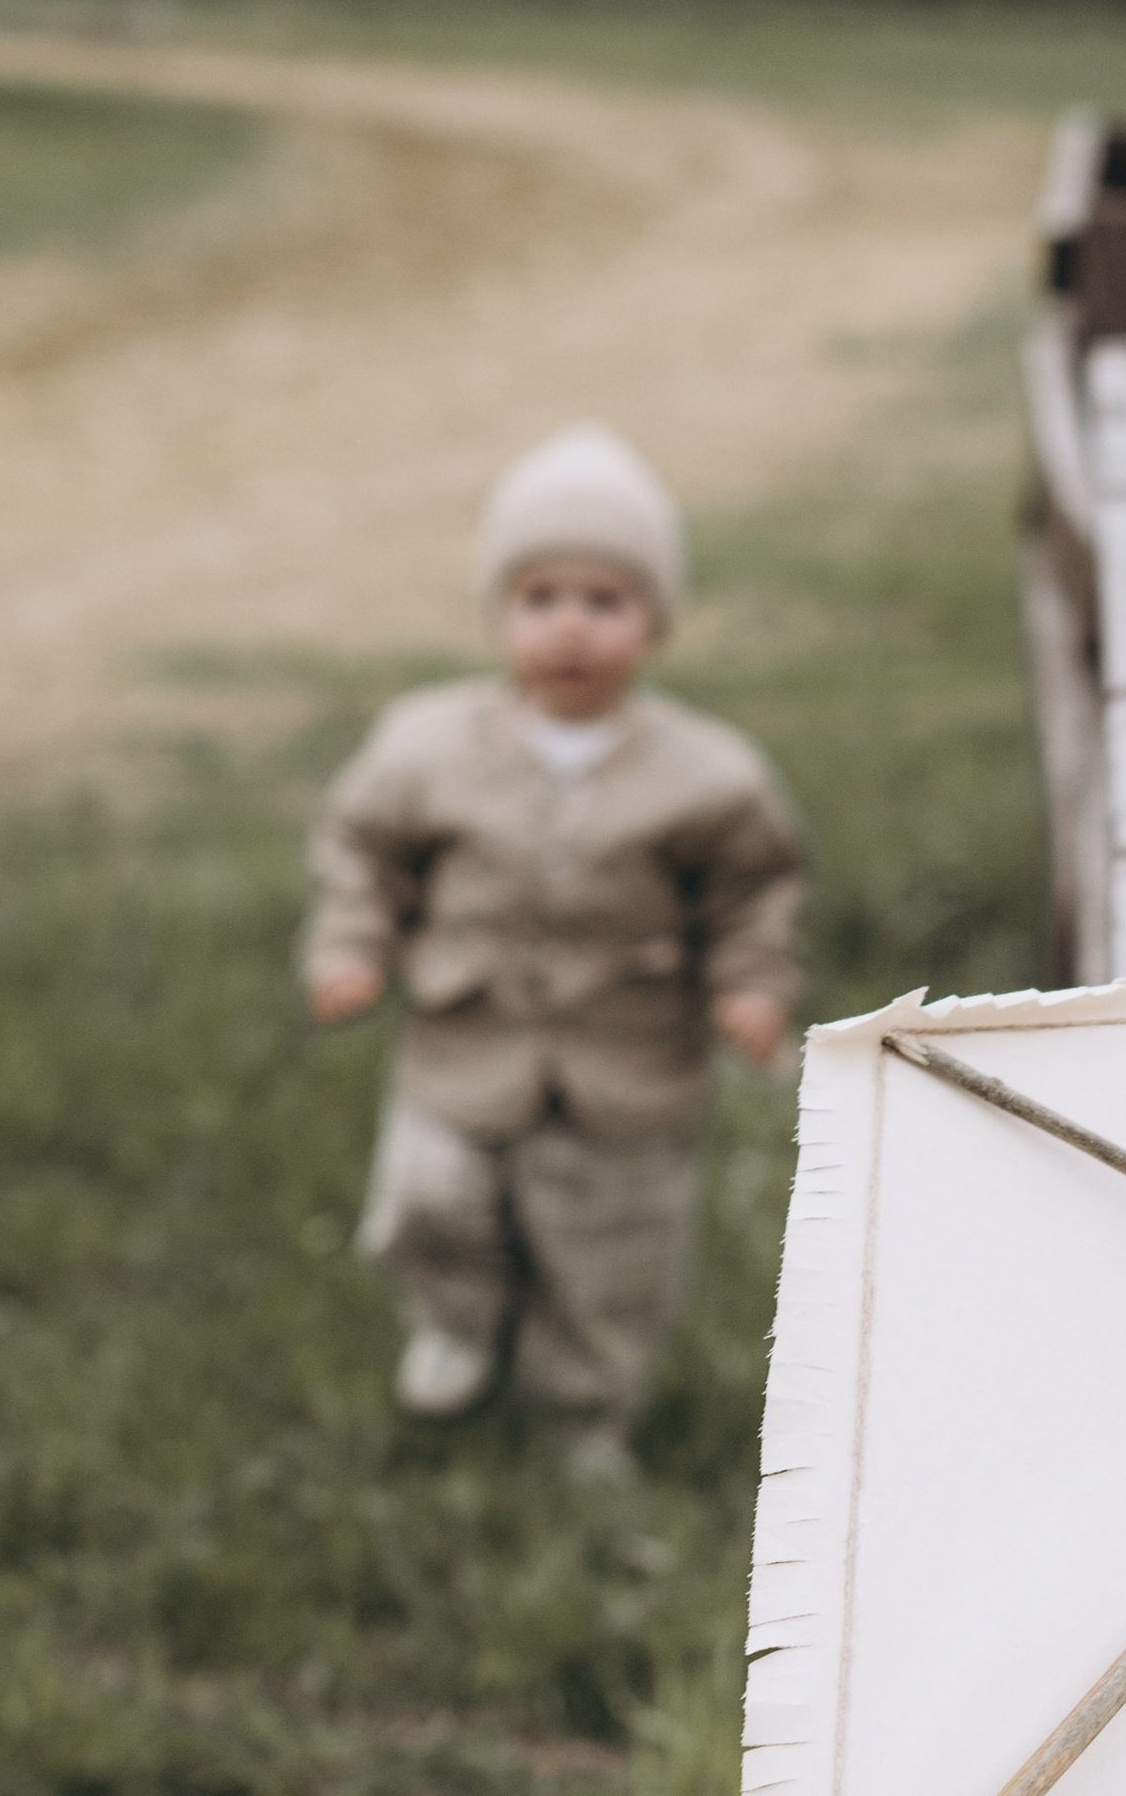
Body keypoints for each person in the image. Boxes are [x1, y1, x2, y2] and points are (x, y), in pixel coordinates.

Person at [301, 423, 802, 1479]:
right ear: (500, 611)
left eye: (604, 601)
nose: (569, 628)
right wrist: (354, 944)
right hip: (463, 1049)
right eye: (540, 599)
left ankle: (585, 1411)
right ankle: (455, 1323)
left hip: (627, 1068)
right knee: (429, 1201)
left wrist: (750, 988)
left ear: (653, 619)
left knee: (611, 1256)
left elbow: (752, 894)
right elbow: (365, 854)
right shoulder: (424, 747)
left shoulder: (709, 777)